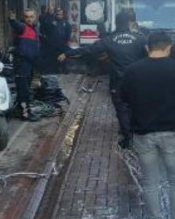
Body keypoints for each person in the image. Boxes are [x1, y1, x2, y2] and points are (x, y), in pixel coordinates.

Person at [120, 32, 175, 219]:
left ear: (147, 48)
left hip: (143, 133)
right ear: (169, 48)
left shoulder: (133, 70)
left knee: (150, 182)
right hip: (171, 132)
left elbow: (124, 98)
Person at [58, 10, 147, 148]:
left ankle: (128, 138)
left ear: (116, 23)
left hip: (118, 81)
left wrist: (68, 53)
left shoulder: (109, 40)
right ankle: (137, 132)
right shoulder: (141, 39)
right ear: (129, 23)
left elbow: (88, 50)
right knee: (135, 106)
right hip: (138, 80)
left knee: (121, 108)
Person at [9, 9, 41, 121]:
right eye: (26, 17)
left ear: (35, 17)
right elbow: (16, 25)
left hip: (29, 63)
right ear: (23, 18)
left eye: (31, 16)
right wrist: (12, 19)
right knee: (23, 89)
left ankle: (19, 109)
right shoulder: (22, 28)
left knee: (26, 87)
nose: (29, 19)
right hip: (21, 63)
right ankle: (25, 114)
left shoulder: (34, 29)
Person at [39, 7, 71, 74]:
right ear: (55, 15)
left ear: (63, 15)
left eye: (60, 14)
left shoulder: (66, 23)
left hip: (62, 44)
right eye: (58, 14)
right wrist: (51, 26)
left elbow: (68, 33)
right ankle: (55, 70)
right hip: (52, 44)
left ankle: (63, 69)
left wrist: (67, 41)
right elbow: (44, 31)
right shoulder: (51, 22)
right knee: (53, 58)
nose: (59, 16)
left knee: (63, 57)